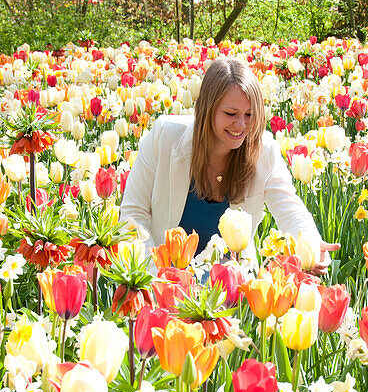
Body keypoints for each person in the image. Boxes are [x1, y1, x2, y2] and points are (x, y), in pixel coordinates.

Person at [120, 57, 336, 272]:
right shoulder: (165, 137)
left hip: (232, 283)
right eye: (231, 114)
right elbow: (133, 213)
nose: (241, 125)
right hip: (164, 277)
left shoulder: (263, 151)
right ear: (207, 109)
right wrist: (156, 277)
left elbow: (290, 209)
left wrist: (310, 243)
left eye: (250, 115)